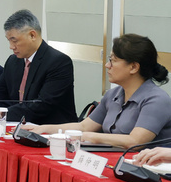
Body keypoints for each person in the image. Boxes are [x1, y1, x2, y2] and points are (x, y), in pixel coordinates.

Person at [26, 34, 171, 148]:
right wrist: (43, 129)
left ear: (133, 67)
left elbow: (135, 142)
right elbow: (84, 126)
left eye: (113, 60)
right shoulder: (113, 95)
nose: (107, 65)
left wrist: (92, 137)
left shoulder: (157, 100)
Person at [0, 9, 76, 123]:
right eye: (9, 40)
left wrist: (2, 113)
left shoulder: (58, 62)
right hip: (18, 124)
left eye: (14, 41)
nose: (11, 46)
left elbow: (43, 104)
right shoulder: (13, 61)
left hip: (51, 127)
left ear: (32, 35)